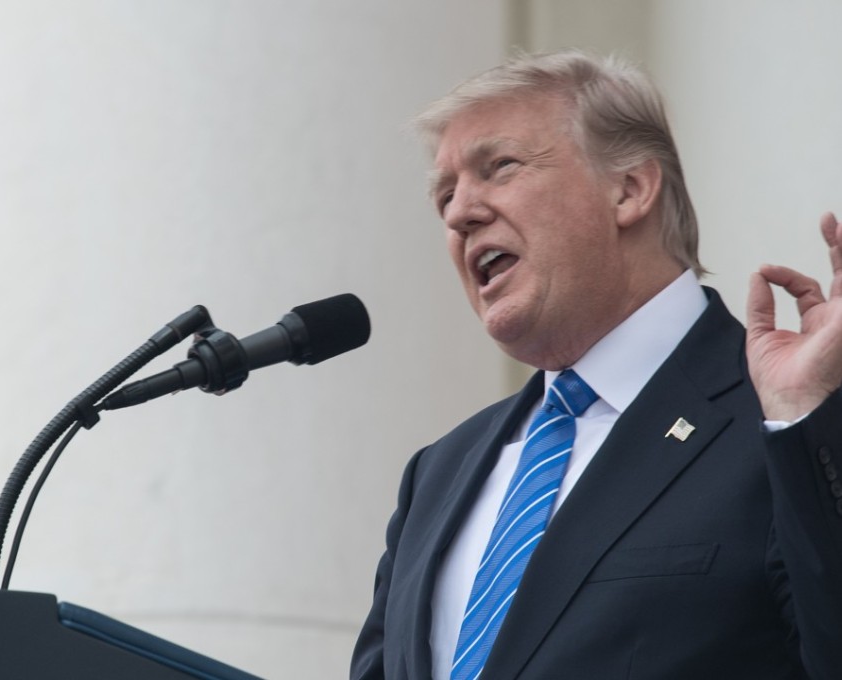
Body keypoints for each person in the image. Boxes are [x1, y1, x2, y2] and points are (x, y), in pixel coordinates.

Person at [351, 49, 842, 680]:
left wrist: (806, 423)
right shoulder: (437, 474)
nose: (458, 213)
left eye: (498, 167)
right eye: (445, 195)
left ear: (630, 188)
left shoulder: (793, 423)